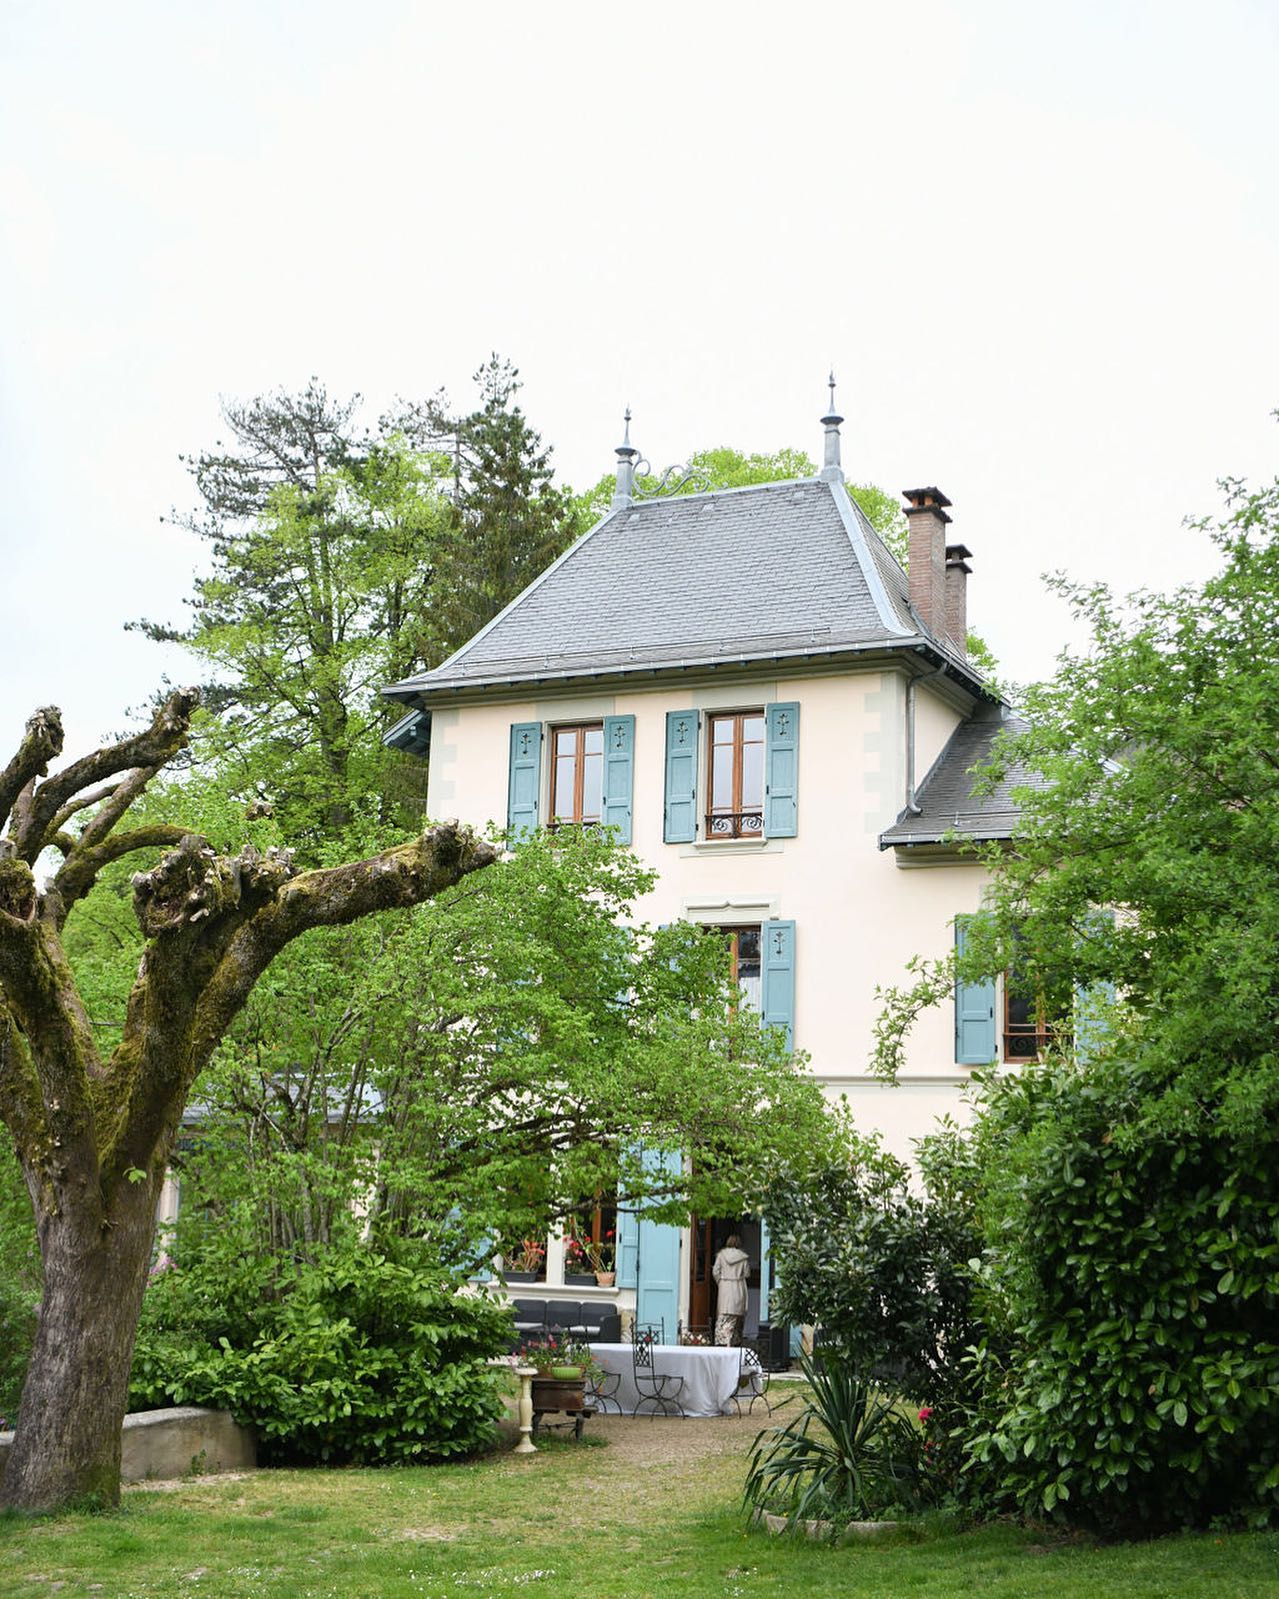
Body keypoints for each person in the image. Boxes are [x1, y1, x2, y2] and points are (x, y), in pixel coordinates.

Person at [712, 1234, 750, 1346]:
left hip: (725, 1288)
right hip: (738, 1287)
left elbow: (715, 1272)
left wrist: (721, 1281)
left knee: (724, 1315)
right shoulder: (743, 1257)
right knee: (737, 1316)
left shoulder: (721, 1255)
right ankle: (735, 1343)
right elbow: (747, 1274)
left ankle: (722, 1343)